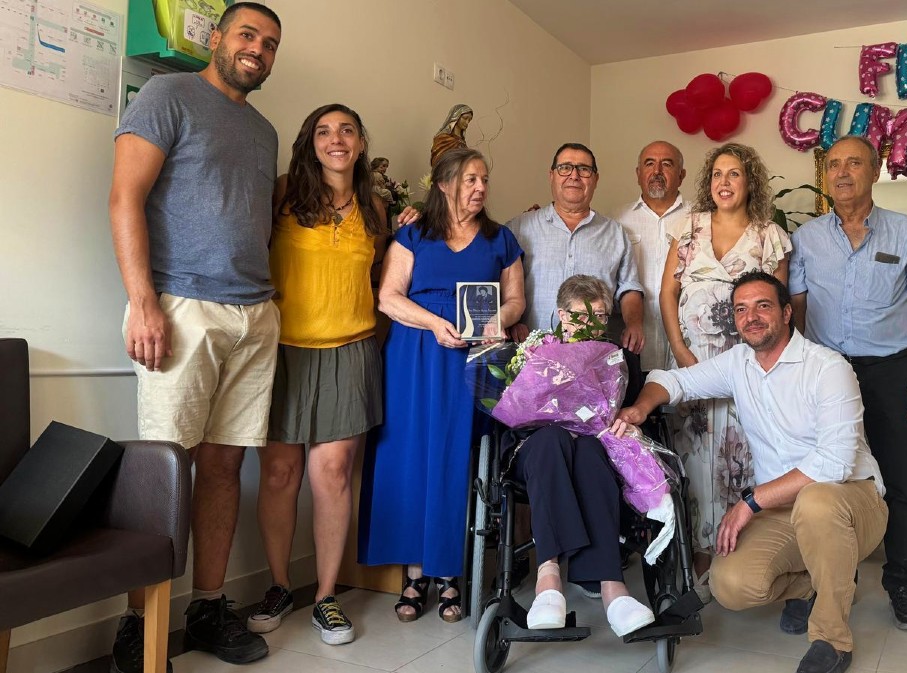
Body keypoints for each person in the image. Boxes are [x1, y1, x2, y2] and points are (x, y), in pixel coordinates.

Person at [107, 3, 281, 670]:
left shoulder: (264, 130)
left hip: (254, 315)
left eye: (269, 43)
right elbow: (125, 197)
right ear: (216, 38)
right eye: (247, 35)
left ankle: (206, 608)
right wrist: (143, 303)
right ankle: (137, 625)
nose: (257, 49)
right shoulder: (167, 95)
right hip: (181, 307)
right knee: (163, 472)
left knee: (224, 468)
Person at [613, 272, 888, 673]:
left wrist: (750, 502)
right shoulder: (738, 363)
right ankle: (828, 578)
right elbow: (673, 381)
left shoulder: (828, 368)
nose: (751, 317)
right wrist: (640, 409)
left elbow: (834, 462)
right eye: (741, 309)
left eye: (763, 305)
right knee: (731, 585)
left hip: (850, 500)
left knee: (817, 501)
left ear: (787, 313)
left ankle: (832, 639)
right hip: (785, 510)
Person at [360, 147, 525, 624]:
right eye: (471, 179)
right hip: (415, 356)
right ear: (445, 184)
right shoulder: (414, 234)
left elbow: (516, 300)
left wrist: (493, 321)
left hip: (472, 358)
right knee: (410, 457)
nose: (480, 187)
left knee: (455, 459)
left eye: (484, 179)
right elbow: (389, 298)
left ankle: (449, 571)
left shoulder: (500, 238)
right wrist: (434, 323)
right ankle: (414, 574)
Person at [245, 104, 388, 645]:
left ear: (360, 142)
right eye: (324, 131)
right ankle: (280, 585)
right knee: (280, 474)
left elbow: (380, 279)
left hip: (350, 351)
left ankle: (326, 595)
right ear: (310, 143)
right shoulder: (284, 192)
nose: (336, 139)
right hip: (281, 349)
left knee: (332, 473)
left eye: (347, 130)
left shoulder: (375, 207)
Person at [788, 134, 907, 631]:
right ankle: (825, 585)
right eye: (833, 164)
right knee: (824, 479)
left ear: (875, 171)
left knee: (899, 483)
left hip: (892, 372)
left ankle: (903, 586)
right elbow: (796, 312)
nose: (841, 172)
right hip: (826, 373)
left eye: (853, 163)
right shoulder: (806, 239)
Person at [660, 142, 791, 599]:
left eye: (734, 173)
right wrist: (680, 352)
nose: (724, 182)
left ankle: (738, 555)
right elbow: (667, 295)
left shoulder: (769, 236)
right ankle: (698, 557)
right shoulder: (688, 227)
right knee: (693, 461)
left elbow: (780, 306)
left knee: (742, 459)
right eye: (717, 173)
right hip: (693, 362)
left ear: (750, 182)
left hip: (747, 367)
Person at [508, 275, 656, 637]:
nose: (592, 323)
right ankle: (548, 577)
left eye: (601, 315)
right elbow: (515, 413)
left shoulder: (619, 359)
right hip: (539, 452)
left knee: (590, 450)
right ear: (562, 315)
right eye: (582, 315)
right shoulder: (537, 353)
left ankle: (612, 588)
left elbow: (631, 412)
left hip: (594, 450)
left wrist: (624, 419)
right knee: (552, 439)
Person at [506, 143, 644, 354]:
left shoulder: (615, 233)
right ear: (551, 175)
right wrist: (511, 322)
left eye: (584, 169)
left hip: (593, 357)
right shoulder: (519, 228)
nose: (574, 175)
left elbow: (629, 287)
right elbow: (503, 285)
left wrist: (634, 324)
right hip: (531, 353)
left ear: (595, 179)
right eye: (565, 168)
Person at [613, 141, 690, 372]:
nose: (657, 171)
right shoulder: (616, 220)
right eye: (649, 164)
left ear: (681, 175)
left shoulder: (700, 218)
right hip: (631, 346)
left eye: (667, 164)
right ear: (638, 174)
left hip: (687, 348)